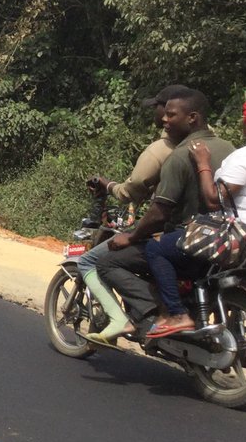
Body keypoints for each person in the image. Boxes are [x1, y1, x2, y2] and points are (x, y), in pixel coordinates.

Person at [90, 86, 235, 342]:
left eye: (171, 115)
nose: (165, 120)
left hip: (187, 241)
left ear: (192, 117)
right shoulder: (229, 148)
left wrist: (131, 236)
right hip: (222, 239)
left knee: (107, 262)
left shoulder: (178, 157)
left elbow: (159, 212)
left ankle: (158, 312)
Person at [142, 93, 246, 336]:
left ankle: (176, 313)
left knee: (156, 248)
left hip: (238, 237)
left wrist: (203, 163)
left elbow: (214, 200)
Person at [78, 88, 176, 342]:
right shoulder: (214, 145)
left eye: (158, 107)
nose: (157, 114)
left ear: (169, 111)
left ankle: (121, 318)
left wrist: (107, 184)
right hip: (205, 232)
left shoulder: (161, 149)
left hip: (163, 230)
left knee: (92, 261)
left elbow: (130, 191)